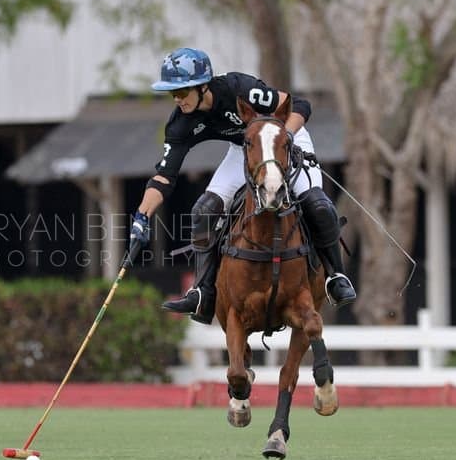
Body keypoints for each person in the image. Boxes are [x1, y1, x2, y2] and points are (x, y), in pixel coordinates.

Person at [125, 47, 356, 324]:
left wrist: (287, 137)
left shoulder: (240, 89)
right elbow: (164, 177)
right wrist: (141, 217)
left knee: (316, 203)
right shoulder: (180, 123)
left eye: (183, 92)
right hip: (245, 149)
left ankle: (335, 276)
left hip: (285, 138)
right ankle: (203, 292)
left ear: (203, 86)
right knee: (204, 210)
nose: (177, 99)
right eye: (172, 93)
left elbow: (301, 106)